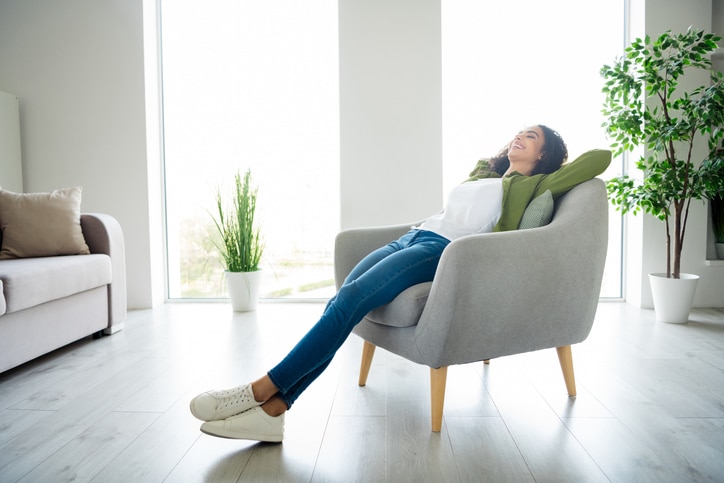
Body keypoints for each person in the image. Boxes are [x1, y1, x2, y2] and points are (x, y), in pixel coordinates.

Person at [190, 125, 612, 442]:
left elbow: (600, 157)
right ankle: (275, 411)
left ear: (544, 155)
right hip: (414, 234)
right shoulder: (489, 173)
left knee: (351, 299)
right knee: (342, 305)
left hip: (439, 250)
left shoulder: (535, 183)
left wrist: (551, 165)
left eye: (531, 136)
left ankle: (257, 390)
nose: (519, 136)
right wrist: (496, 162)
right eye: (519, 131)